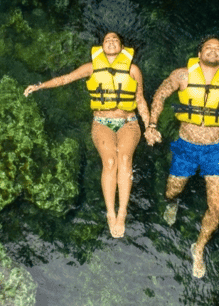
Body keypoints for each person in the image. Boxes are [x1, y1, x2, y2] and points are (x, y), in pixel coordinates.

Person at [144, 36, 219, 278]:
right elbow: (159, 96)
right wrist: (151, 125)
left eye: (218, 49)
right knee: (171, 192)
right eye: (208, 48)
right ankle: (173, 203)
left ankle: (198, 248)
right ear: (199, 54)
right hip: (186, 147)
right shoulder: (182, 75)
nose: (213, 51)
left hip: (217, 150)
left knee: (217, 207)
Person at [24, 32, 151, 238]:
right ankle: (110, 212)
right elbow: (65, 78)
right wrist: (40, 86)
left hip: (129, 122)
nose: (111, 41)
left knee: (125, 158)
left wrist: (150, 125)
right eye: (107, 40)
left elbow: (140, 100)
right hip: (102, 122)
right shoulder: (90, 67)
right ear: (101, 46)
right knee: (110, 162)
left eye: (115, 40)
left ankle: (122, 212)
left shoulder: (133, 69)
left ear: (121, 47)